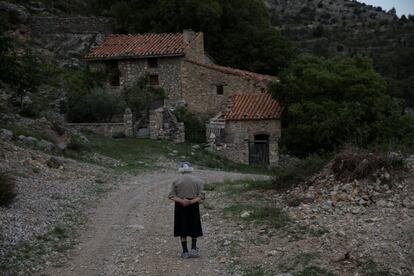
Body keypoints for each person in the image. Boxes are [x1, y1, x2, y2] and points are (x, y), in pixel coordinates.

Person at [168, 162, 205, 258]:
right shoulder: (198, 181)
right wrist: (191, 202)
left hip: (180, 206)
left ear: (181, 170)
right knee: (194, 226)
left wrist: (181, 201)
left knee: (182, 227)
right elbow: (201, 196)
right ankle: (193, 249)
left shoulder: (176, 181)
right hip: (193, 206)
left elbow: (171, 196)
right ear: (191, 169)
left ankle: (185, 251)